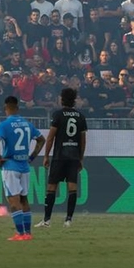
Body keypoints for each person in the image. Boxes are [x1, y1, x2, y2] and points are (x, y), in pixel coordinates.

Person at [0, 96, 45, 241]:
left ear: (6, 108)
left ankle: (20, 234)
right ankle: (28, 233)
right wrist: (32, 156)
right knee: (24, 199)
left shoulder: (4, 125)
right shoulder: (27, 124)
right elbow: (41, 139)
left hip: (10, 165)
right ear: (18, 108)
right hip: (24, 165)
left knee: (13, 200)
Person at [37, 87, 88, 228]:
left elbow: (51, 137)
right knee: (72, 187)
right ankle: (68, 220)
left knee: (51, 187)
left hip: (60, 155)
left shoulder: (58, 115)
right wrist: (81, 158)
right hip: (73, 156)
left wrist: (46, 155)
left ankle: (47, 220)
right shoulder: (81, 116)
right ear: (74, 100)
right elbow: (83, 140)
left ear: (62, 99)